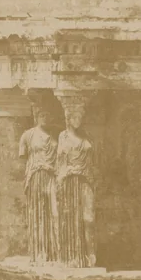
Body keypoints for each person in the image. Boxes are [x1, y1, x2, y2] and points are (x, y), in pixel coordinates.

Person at [56, 100, 96, 267]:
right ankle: (72, 257)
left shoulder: (86, 137)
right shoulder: (62, 137)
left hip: (85, 178)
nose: (79, 119)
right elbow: (60, 161)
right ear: (69, 117)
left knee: (89, 218)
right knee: (70, 218)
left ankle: (90, 254)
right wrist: (61, 178)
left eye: (81, 116)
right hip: (70, 180)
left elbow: (93, 161)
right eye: (76, 116)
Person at [18, 108, 58, 263]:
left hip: (52, 175)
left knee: (55, 212)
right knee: (38, 213)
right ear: (36, 116)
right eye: (42, 115)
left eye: (48, 115)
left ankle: (55, 251)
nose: (45, 118)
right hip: (36, 175)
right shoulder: (27, 135)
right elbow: (23, 159)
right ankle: (39, 253)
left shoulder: (56, 135)